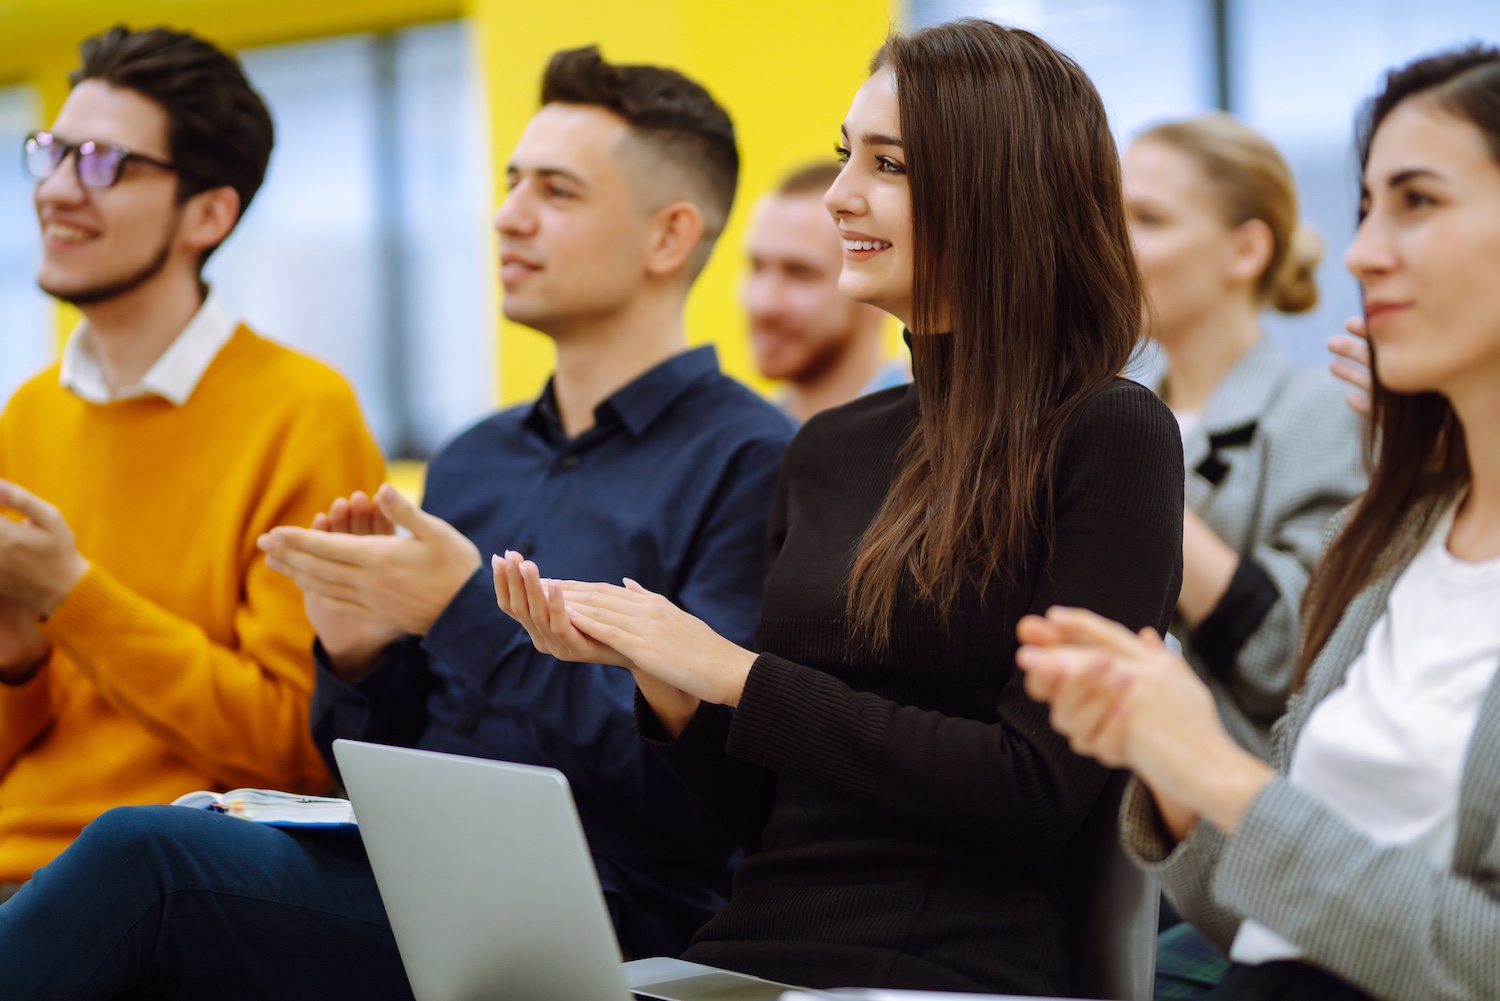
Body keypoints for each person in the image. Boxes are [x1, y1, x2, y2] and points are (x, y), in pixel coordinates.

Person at [0, 46, 793, 1001]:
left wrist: (460, 608)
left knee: (151, 855)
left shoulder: (752, 460)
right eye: (509, 183)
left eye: (557, 190)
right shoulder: (474, 456)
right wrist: (358, 658)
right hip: (403, 867)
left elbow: (707, 798)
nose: (507, 214)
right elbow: (371, 746)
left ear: (670, 237)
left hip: (601, 901)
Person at [495, 20, 1184, 997]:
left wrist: (735, 673)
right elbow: (768, 814)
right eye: (843, 155)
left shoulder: (1110, 432)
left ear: (995, 185)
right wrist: (671, 682)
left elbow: (1037, 790)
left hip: (948, 964)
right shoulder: (828, 449)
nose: (838, 195)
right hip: (745, 953)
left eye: (887, 163)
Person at [1018, 45, 1500, 1001]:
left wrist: (1217, 768)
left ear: (1245, 249)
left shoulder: (1310, 421)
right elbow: (1263, 914)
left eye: (1418, 201)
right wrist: (1171, 763)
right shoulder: (1399, 534)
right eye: (1366, 206)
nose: (1362, 249)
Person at [0, 26, 384, 901]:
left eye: (103, 162)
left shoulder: (301, 412)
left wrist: (74, 594)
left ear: (208, 214)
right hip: (19, 872)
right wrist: (16, 661)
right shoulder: (27, 413)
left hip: (176, 881)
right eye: (53, 153)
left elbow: (291, 745)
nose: (58, 189)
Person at [1123, 114, 1366, 764]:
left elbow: (1287, 654)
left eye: (1147, 219)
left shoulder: (1325, 411)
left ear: (1246, 251)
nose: (1111, 246)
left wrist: (1110, 465)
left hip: (1225, 832)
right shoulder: (1123, 411)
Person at [744, 162, 908, 422]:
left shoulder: (931, 443)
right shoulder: (745, 445)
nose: (764, 303)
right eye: (757, 267)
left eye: (800, 273)